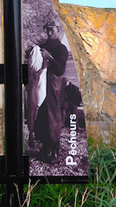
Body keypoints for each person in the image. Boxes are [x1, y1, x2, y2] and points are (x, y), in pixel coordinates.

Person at [34, 20, 68, 164]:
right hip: (39, 85)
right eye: (47, 30)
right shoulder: (42, 46)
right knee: (40, 116)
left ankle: (55, 150)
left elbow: (60, 70)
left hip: (53, 87)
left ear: (58, 31)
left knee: (52, 117)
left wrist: (49, 56)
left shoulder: (62, 49)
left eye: (52, 30)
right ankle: (44, 147)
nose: (49, 33)